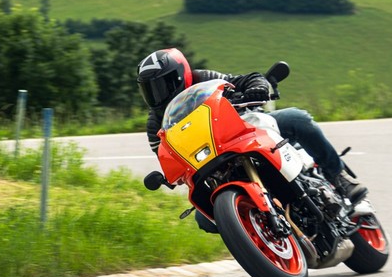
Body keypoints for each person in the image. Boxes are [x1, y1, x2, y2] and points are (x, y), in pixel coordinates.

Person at [136, 48, 367, 203]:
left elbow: (243, 79)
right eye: (150, 89)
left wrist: (257, 87)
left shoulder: (203, 78)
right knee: (204, 219)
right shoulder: (156, 123)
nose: (158, 94)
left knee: (298, 119)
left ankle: (339, 176)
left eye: (163, 84)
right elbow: (167, 155)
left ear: (180, 75)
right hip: (211, 160)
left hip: (243, 130)